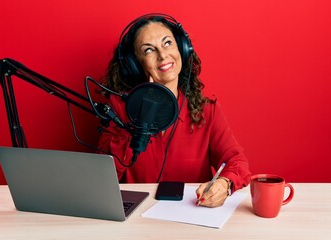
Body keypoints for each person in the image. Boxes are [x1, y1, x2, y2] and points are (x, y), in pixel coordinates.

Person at [98, 13, 251, 208]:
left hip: (193, 215)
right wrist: (142, 114)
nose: (162, 55)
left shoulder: (206, 111)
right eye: (149, 50)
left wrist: (225, 184)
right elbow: (104, 179)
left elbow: (237, 161)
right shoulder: (119, 110)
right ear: (135, 65)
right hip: (137, 223)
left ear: (183, 49)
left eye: (167, 43)